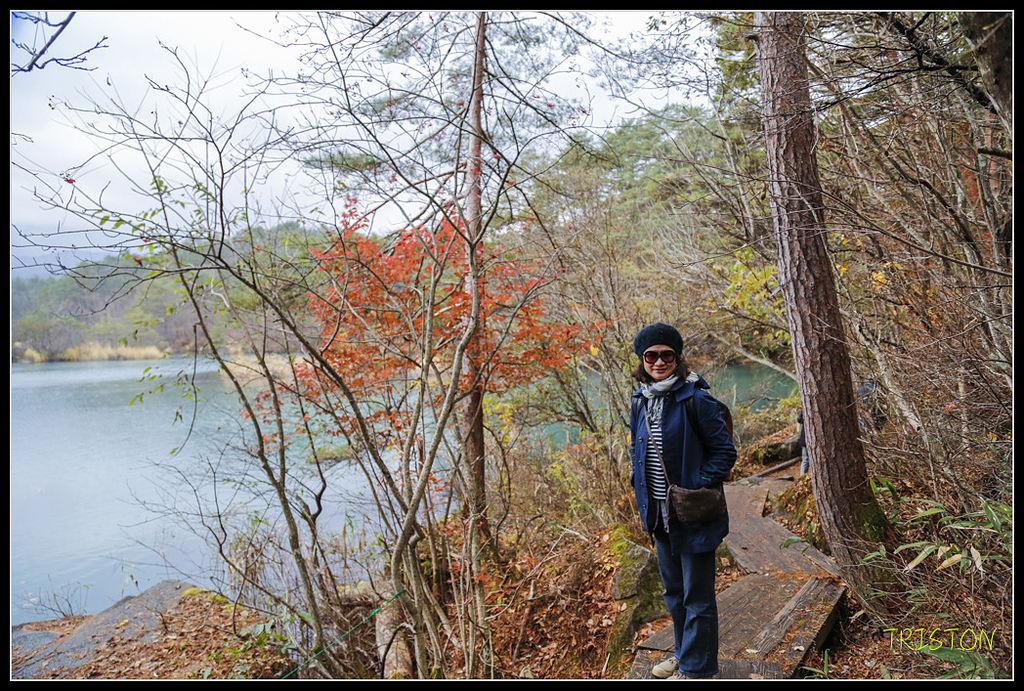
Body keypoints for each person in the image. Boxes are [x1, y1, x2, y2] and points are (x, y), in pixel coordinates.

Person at [628, 323, 737, 680]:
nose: (659, 362)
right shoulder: (640, 400)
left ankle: (698, 670)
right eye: (651, 356)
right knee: (674, 592)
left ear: (677, 358)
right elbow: (636, 451)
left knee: (698, 597)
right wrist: (639, 488)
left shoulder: (696, 399)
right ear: (642, 360)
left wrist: (696, 485)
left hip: (693, 513)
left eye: (666, 355)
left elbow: (724, 453)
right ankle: (684, 654)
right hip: (659, 516)